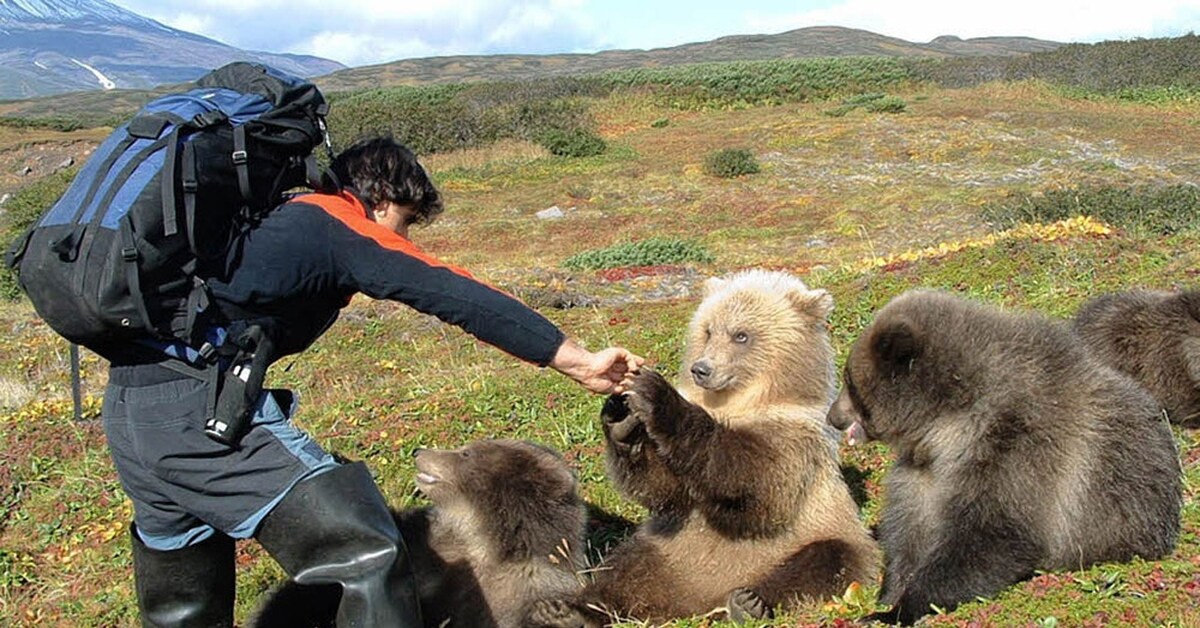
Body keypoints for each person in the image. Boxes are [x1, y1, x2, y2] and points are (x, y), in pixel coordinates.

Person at [101, 135, 644, 627]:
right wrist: (576, 360)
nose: (404, 237)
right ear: (379, 200)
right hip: (202, 410)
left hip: (132, 412)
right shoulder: (331, 222)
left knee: (181, 597)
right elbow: (448, 290)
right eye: (405, 221)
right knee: (368, 554)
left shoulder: (278, 223)